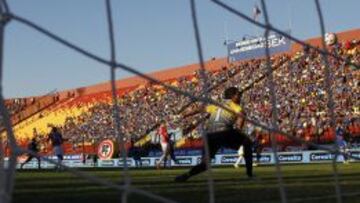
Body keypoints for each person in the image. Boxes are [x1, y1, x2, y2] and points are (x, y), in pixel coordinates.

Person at [175, 87, 253, 182]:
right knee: (247, 142)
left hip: (209, 135)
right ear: (232, 96)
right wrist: (239, 130)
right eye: (238, 95)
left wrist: (184, 115)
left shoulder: (216, 105)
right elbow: (241, 115)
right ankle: (250, 174)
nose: (240, 97)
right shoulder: (235, 106)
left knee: (205, 164)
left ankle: (187, 175)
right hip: (224, 132)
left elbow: (200, 109)